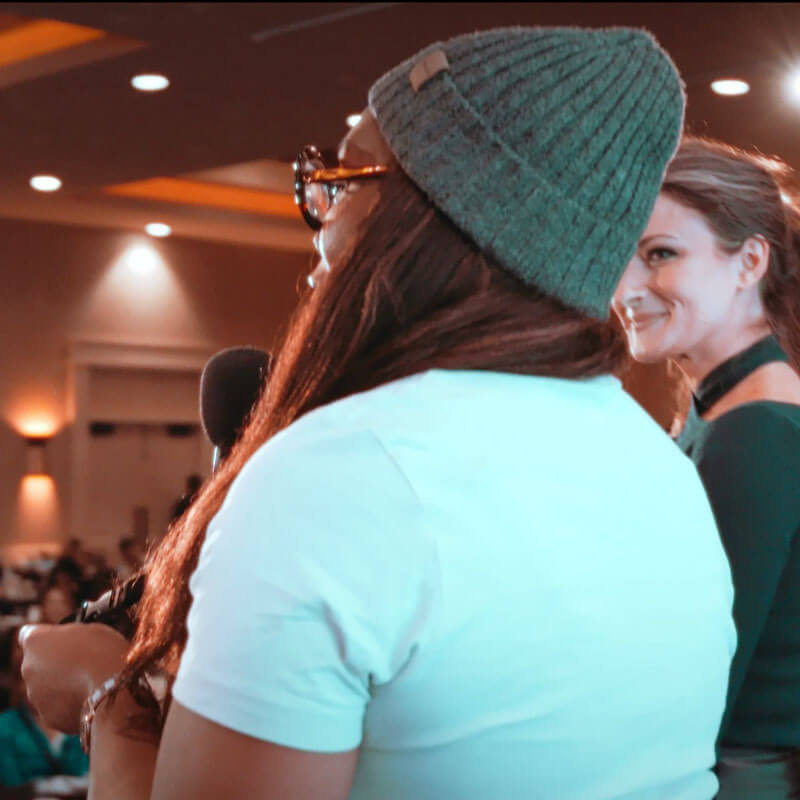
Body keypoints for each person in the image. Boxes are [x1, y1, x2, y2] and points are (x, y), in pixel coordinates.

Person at [19, 27, 736, 800]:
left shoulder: (337, 479)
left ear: (427, 217)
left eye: (343, 176)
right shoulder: (665, 475)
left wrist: (107, 698)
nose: (320, 217)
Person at [611, 136, 800, 797]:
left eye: (660, 254)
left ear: (749, 261)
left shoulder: (757, 430)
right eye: (622, 256)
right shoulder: (728, 409)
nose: (626, 288)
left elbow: (703, 678)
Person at [0, 628, 88, 789]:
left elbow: (89, 776)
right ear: (19, 684)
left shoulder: (78, 725)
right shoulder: (4, 727)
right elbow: (11, 788)